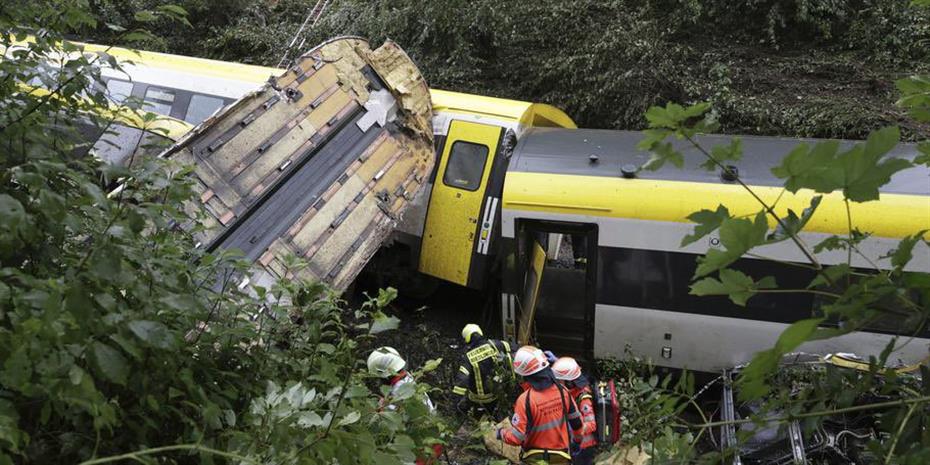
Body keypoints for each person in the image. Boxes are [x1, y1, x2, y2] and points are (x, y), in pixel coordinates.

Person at [497, 345, 583, 465]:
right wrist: (577, 442)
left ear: (524, 375)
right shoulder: (563, 391)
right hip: (561, 458)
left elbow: (516, 438)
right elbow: (577, 423)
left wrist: (501, 433)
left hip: (534, 459)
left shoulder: (525, 400)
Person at [367, 346, 441, 464]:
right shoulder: (407, 378)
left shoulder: (399, 390)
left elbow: (389, 421)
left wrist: (380, 408)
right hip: (433, 438)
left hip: (424, 446)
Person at [451, 323, 515, 414]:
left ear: (467, 338)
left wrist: (455, 401)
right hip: (498, 393)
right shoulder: (495, 344)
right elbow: (511, 348)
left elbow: (462, 380)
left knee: (465, 407)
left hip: (480, 399)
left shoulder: (469, 357)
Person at [552, 357, 598, 465]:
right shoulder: (572, 392)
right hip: (574, 444)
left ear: (569, 382)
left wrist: (573, 428)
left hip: (584, 447)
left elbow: (592, 424)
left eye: (559, 381)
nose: (557, 384)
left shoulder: (583, 399)